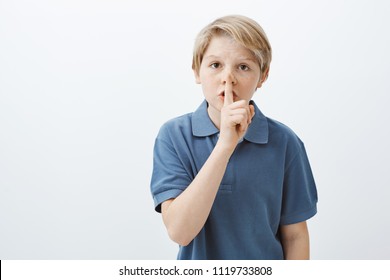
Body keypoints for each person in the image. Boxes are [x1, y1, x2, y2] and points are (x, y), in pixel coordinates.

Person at [150, 15, 318, 260]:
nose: (228, 78)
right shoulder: (173, 136)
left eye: (243, 67)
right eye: (215, 65)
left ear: (263, 76)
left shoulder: (285, 142)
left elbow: (295, 235)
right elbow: (180, 232)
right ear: (197, 71)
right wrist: (225, 145)